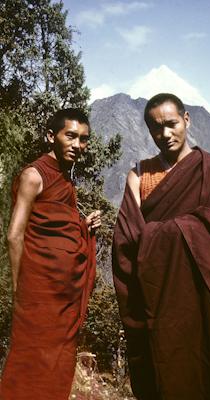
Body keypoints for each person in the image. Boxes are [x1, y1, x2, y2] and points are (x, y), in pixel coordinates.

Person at [112, 93, 210, 400]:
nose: (165, 134)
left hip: (209, 296)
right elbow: (127, 239)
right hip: (162, 297)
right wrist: (180, 232)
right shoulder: (140, 175)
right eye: (156, 128)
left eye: (172, 124)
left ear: (186, 120)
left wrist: (165, 232)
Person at [0, 108, 101, 400]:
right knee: (29, 365)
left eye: (83, 139)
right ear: (50, 136)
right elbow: (14, 235)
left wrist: (85, 226)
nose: (77, 145)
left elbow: (58, 229)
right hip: (37, 294)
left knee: (57, 365)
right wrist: (21, 288)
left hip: (61, 297)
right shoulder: (34, 175)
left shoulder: (65, 180)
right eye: (70, 136)